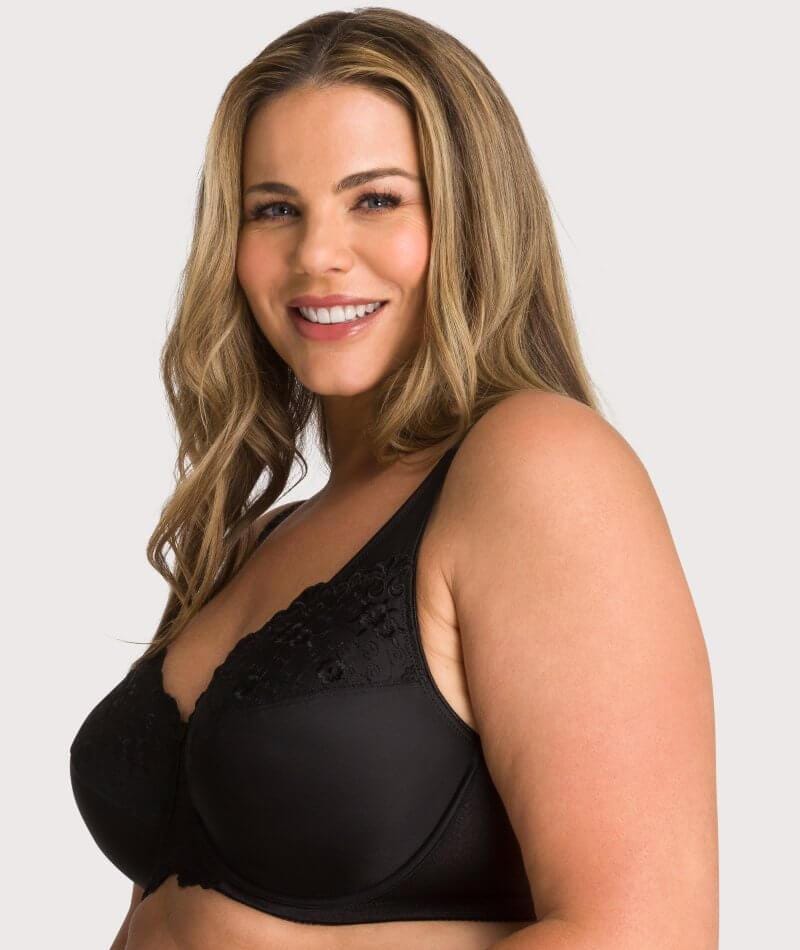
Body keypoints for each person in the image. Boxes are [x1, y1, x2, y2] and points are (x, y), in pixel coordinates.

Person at [69, 8, 718, 950]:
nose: (317, 254)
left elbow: (645, 933)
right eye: (274, 208)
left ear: (471, 219)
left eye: (375, 199)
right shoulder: (252, 541)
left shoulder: (536, 464)